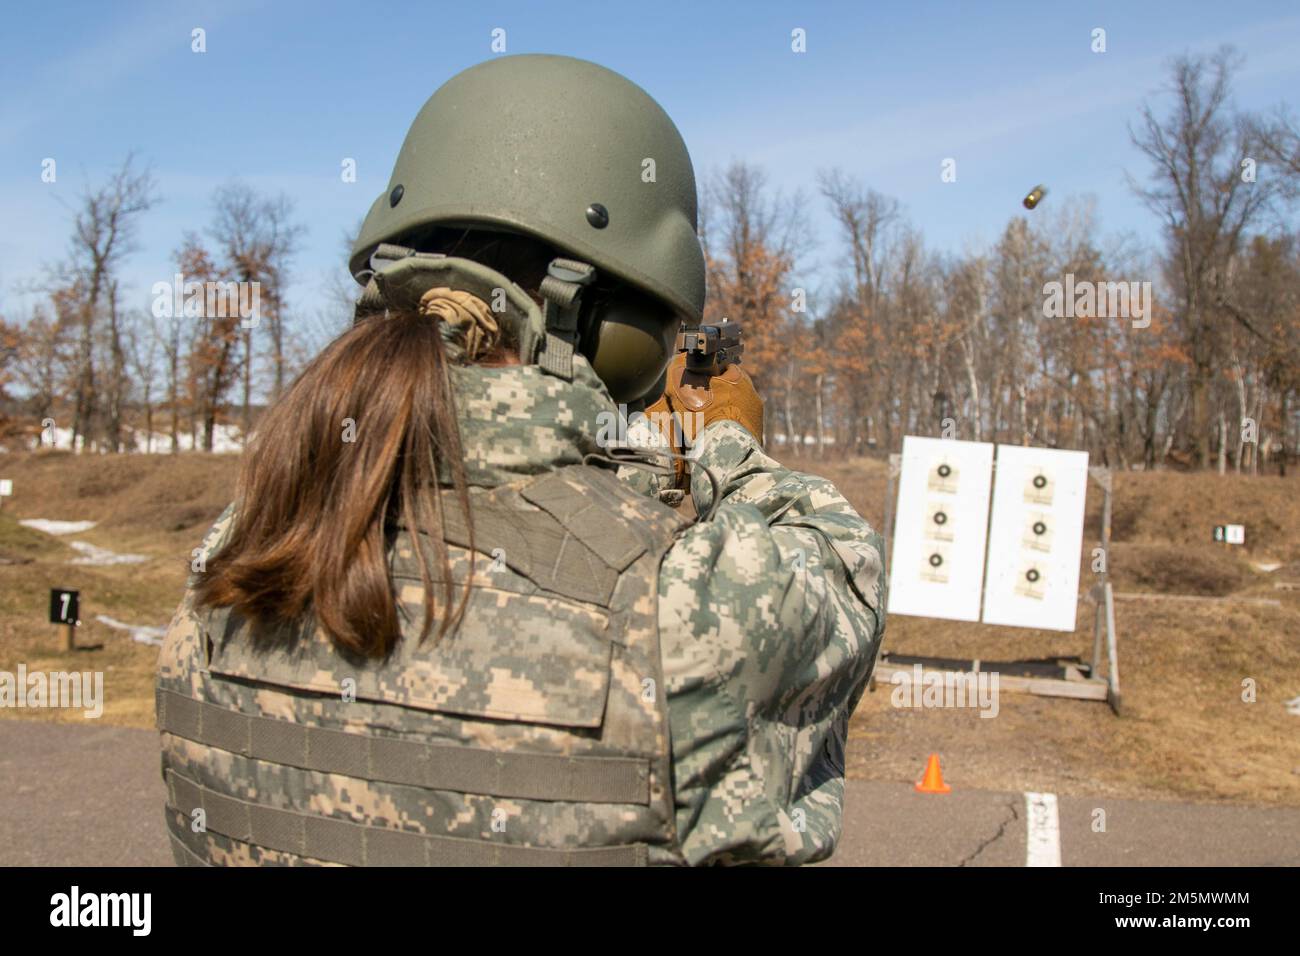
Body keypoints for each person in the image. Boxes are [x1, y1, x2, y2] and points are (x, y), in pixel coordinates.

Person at [156, 54, 885, 867]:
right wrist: (725, 445)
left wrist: (634, 467)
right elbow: (846, 570)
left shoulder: (240, 549)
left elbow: (496, 490)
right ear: (620, 329)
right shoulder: (686, 602)